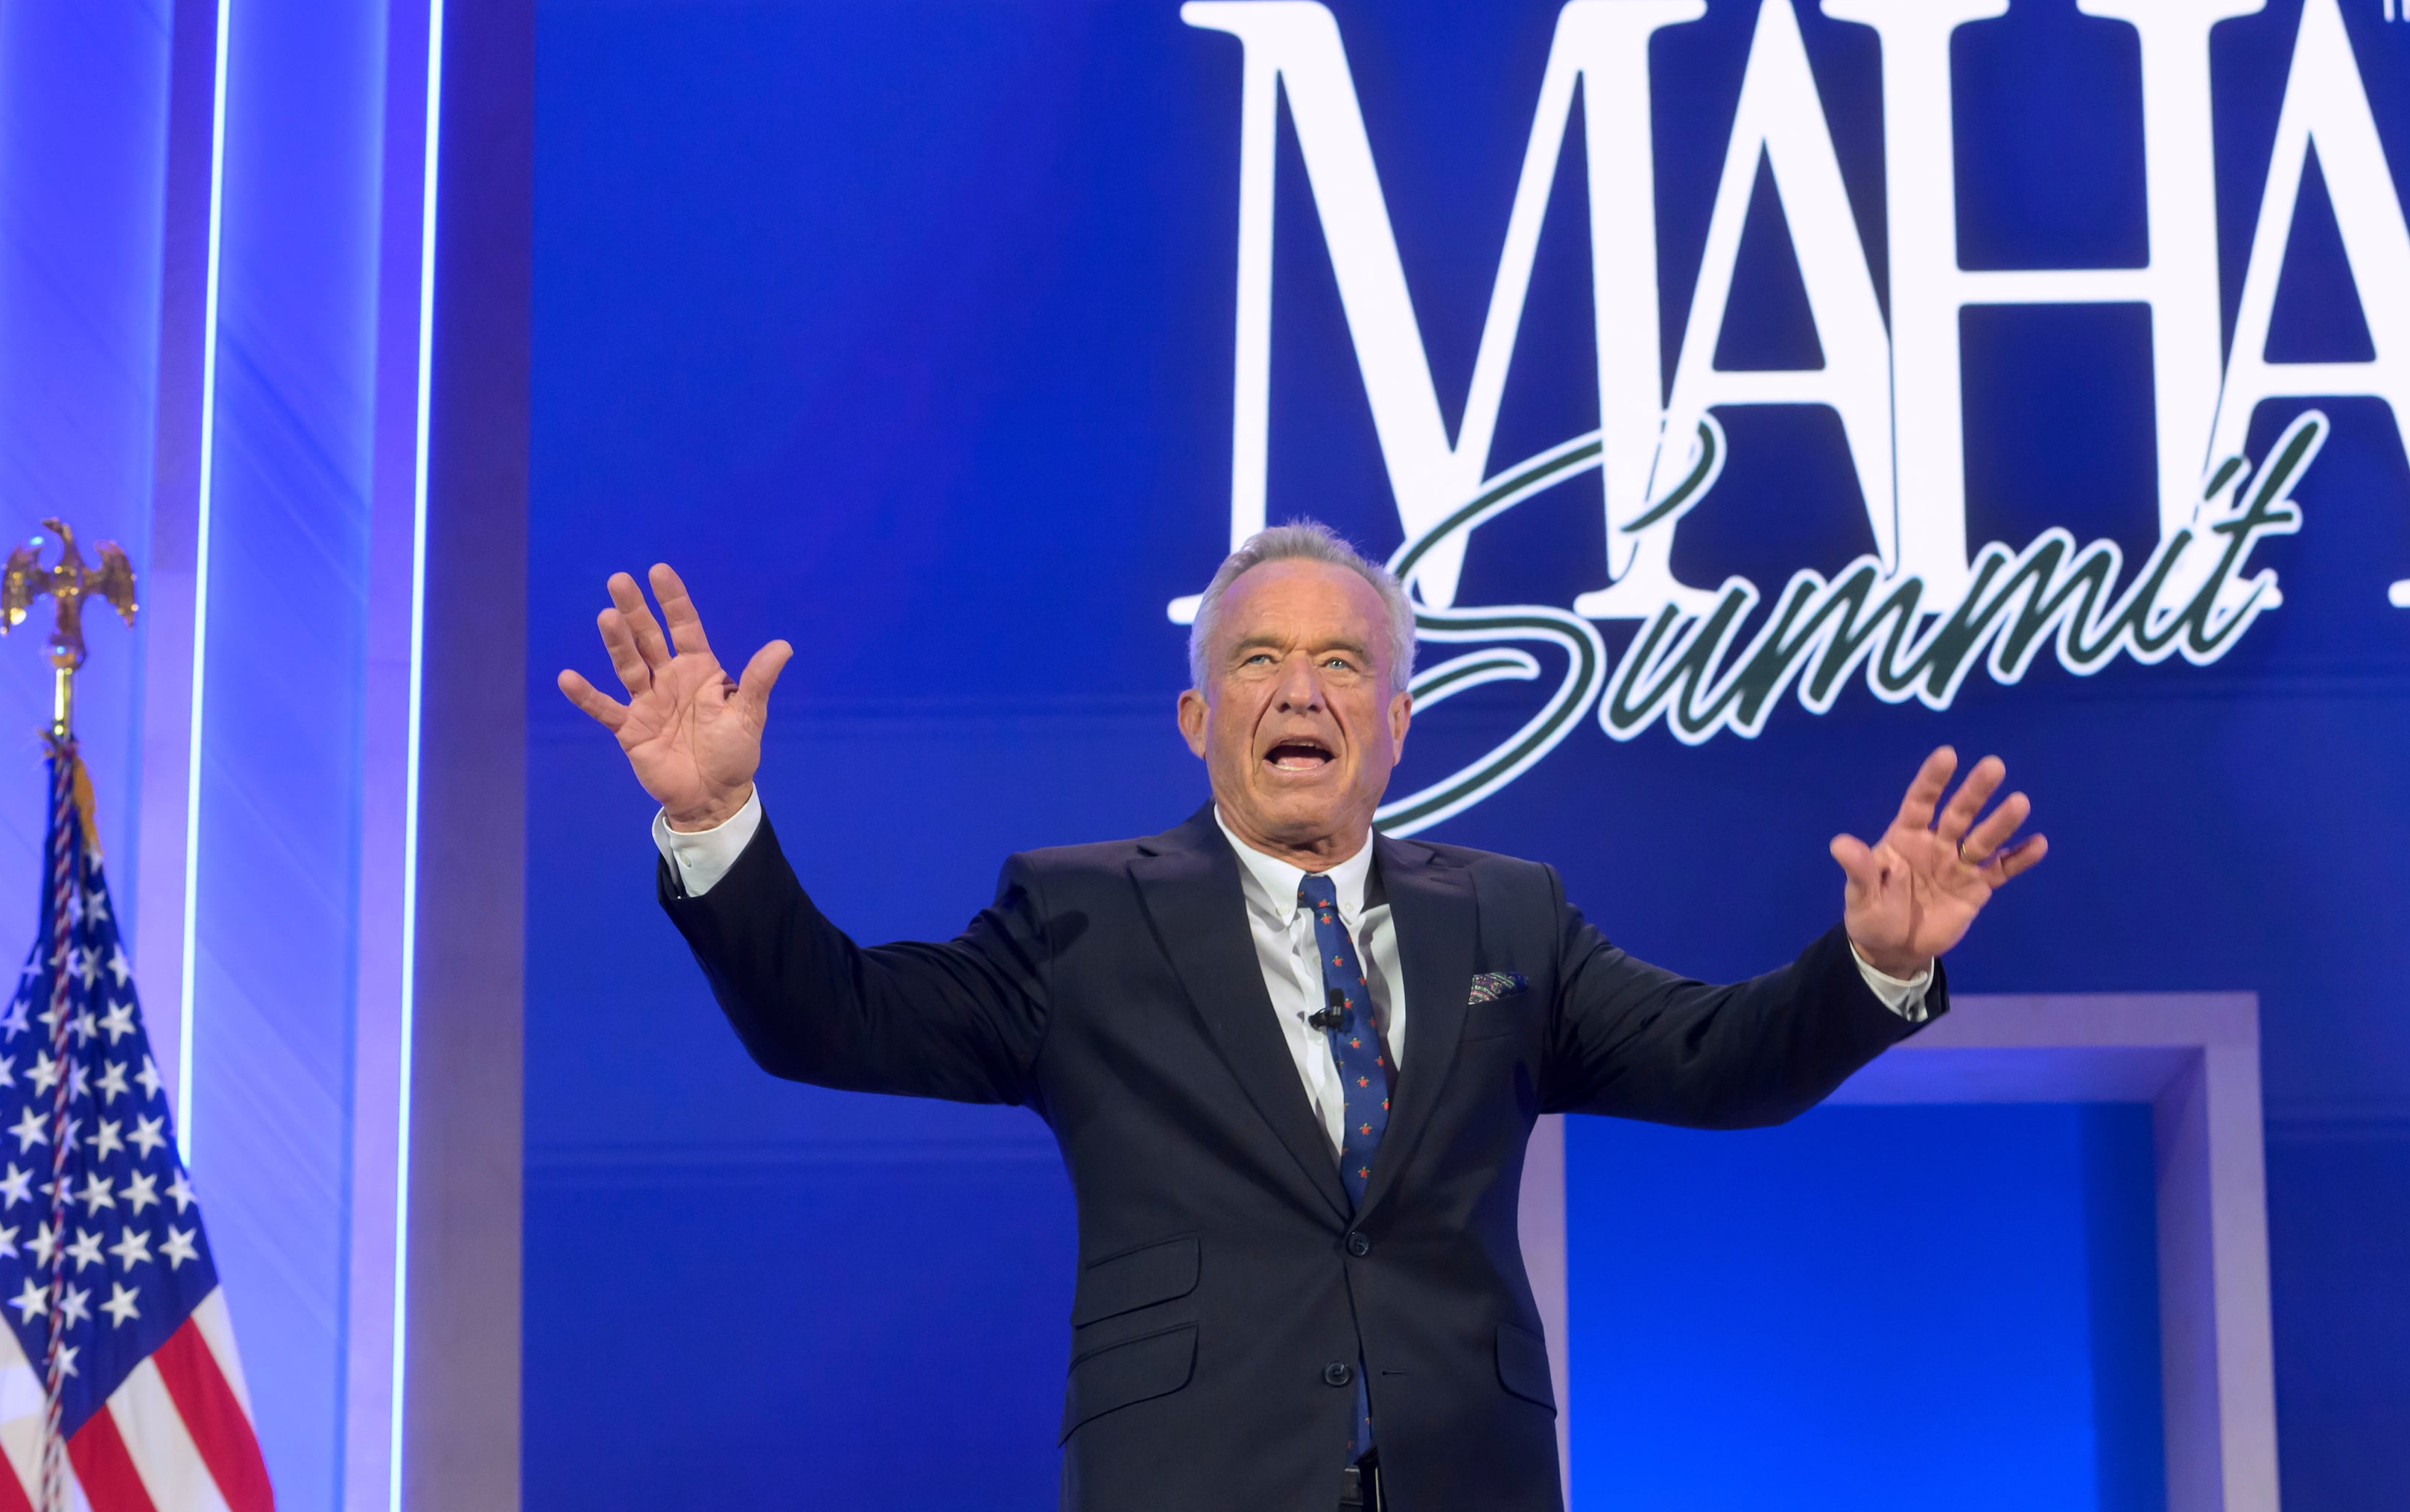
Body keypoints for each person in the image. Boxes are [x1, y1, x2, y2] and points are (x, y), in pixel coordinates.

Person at [556, 522, 2047, 1512]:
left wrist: (1869, 970)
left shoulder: (1511, 916)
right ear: (1202, 719)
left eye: (1346, 663)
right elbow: (834, 1019)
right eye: (1257, 659)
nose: (1303, 690)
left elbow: (1723, 1063)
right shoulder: (1079, 916)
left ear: (1396, 723)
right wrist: (718, 824)